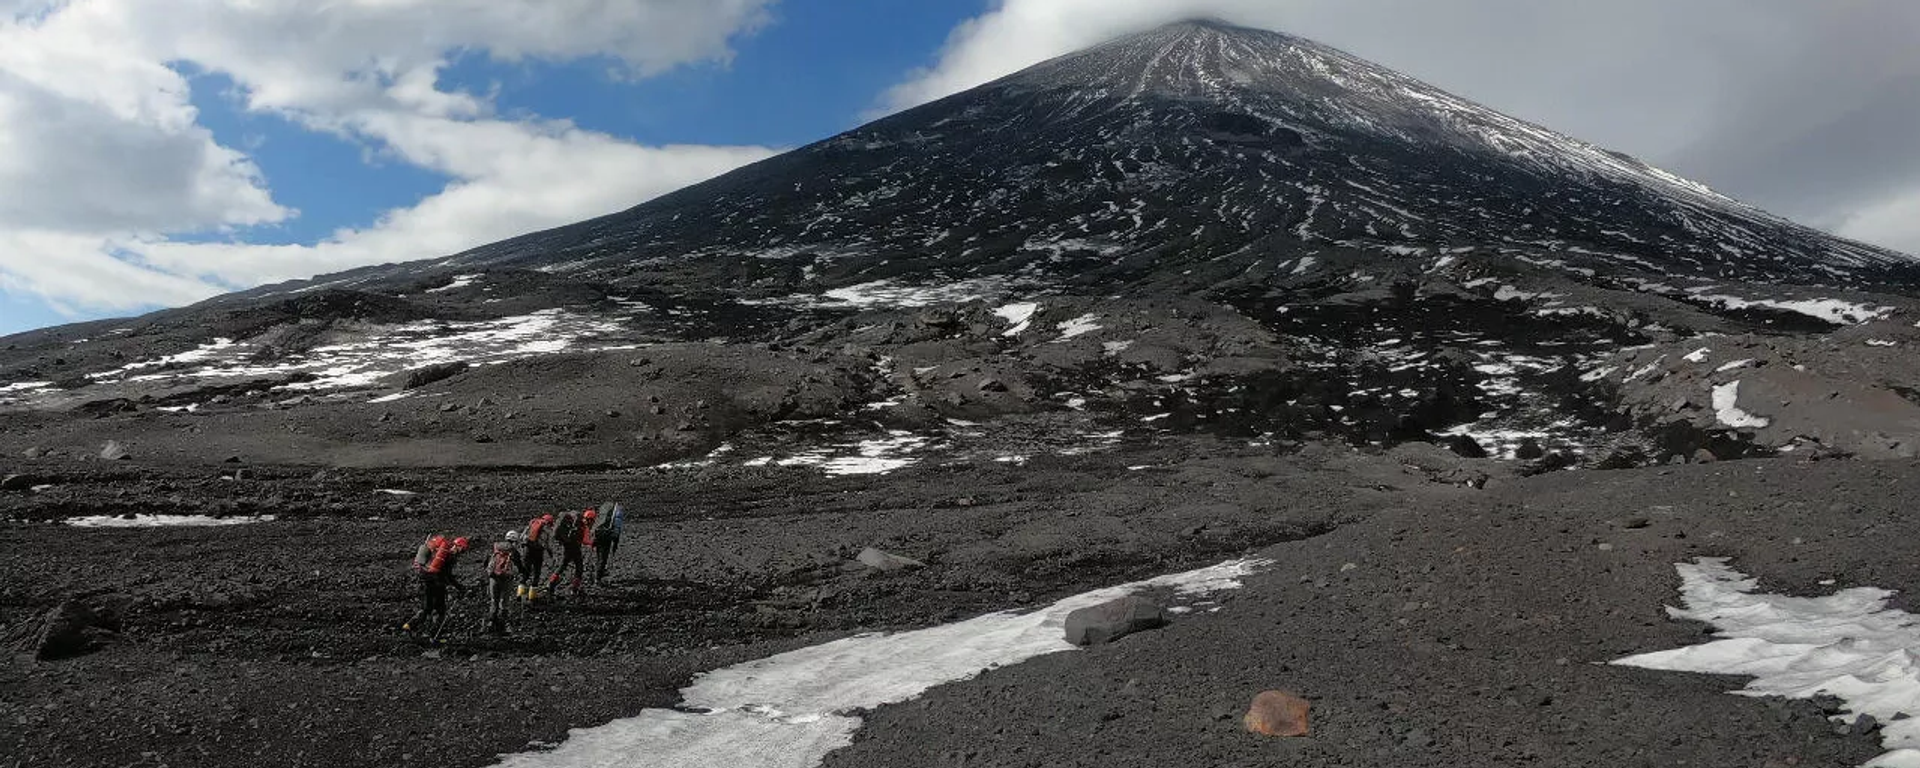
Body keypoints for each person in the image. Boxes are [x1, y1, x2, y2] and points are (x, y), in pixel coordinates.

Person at [404, 534, 471, 641]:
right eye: (462, 550)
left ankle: (409, 625)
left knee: (427, 608)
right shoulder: (449, 557)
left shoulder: (437, 552)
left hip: (425, 580)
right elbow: (447, 575)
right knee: (440, 611)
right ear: (458, 547)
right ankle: (434, 636)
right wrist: (460, 588)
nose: (462, 553)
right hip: (437, 584)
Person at [485, 531, 526, 634]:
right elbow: (520, 566)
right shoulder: (514, 551)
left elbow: (486, 562)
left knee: (494, 600)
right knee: (504, 602)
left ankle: (490, 623)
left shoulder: (496, 547)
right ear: (515, 541)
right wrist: (523, 573)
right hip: (506, 579)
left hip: (493, 578)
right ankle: (504, 626)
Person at [547, 508, 588, 596]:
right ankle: (574, 589)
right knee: (579, 567)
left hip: (566, 546)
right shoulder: (577, 522)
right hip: (574, 547)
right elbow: (582, 538)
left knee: (562, 566)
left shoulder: (566, 523)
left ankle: (551, 583)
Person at [518, 513, 555, 601]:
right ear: (549, 522)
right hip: (538, 552)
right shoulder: (547, 529)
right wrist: (550, 553)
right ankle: (532, 597)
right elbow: (547, 544)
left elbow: (521, 537)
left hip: (527, 550)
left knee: (526, 572)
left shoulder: (532, 524)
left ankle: (519, 594)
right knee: (536, 573)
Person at [592, 502, 625, 584]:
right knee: (603, 558)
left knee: (599, 555)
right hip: (606, 538)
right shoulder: (617, 518)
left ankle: (598, 572)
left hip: (598, 535)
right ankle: (598, 578)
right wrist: (615, 546)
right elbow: (616, 533)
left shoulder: (604, 515)